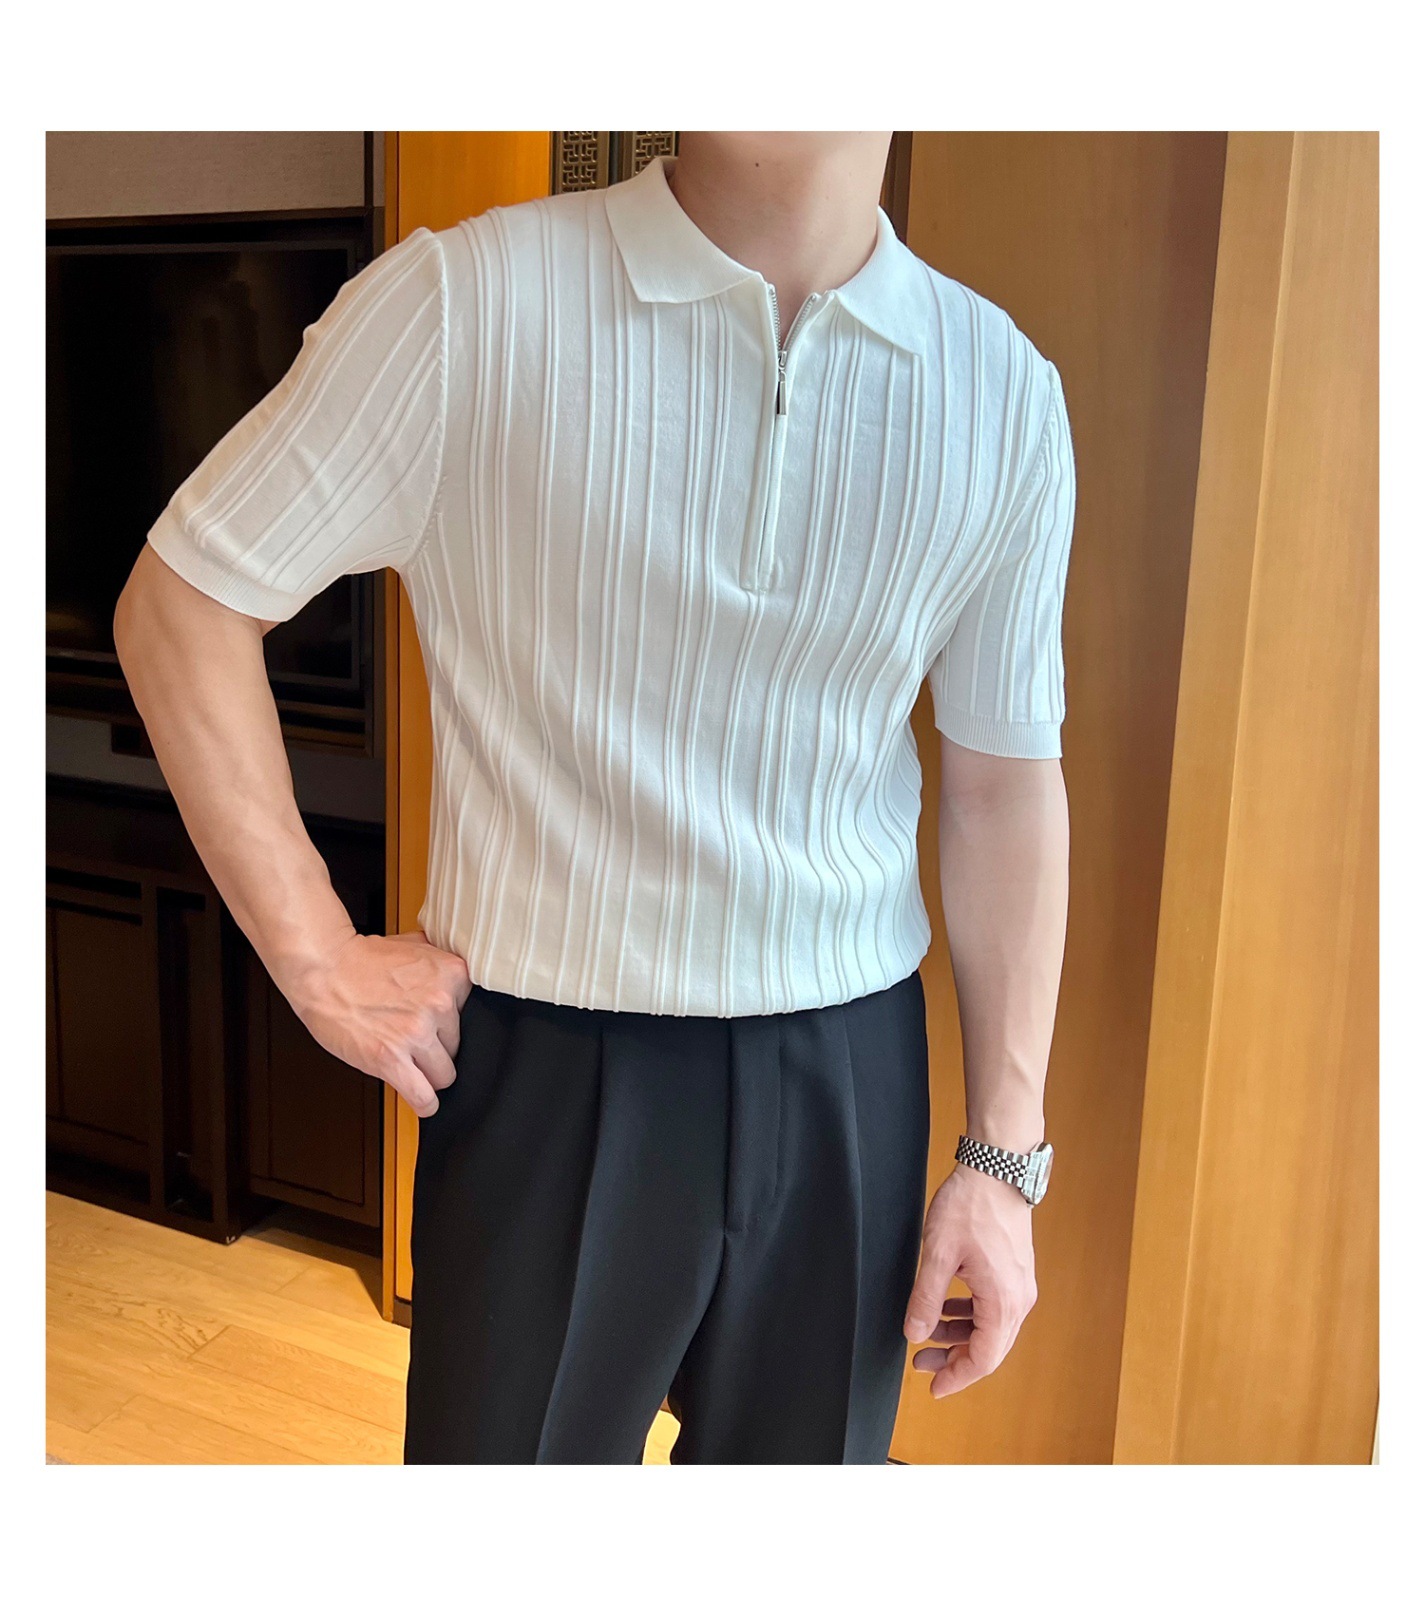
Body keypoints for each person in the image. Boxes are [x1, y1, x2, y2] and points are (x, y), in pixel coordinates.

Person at [114, 131, 1075, 1464]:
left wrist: (1004, 1159)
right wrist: (313, 951)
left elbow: (1003, 780)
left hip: (852, 1073)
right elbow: (184, 602)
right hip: (550, 1071)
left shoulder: (1002, 389)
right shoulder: (464, 305)